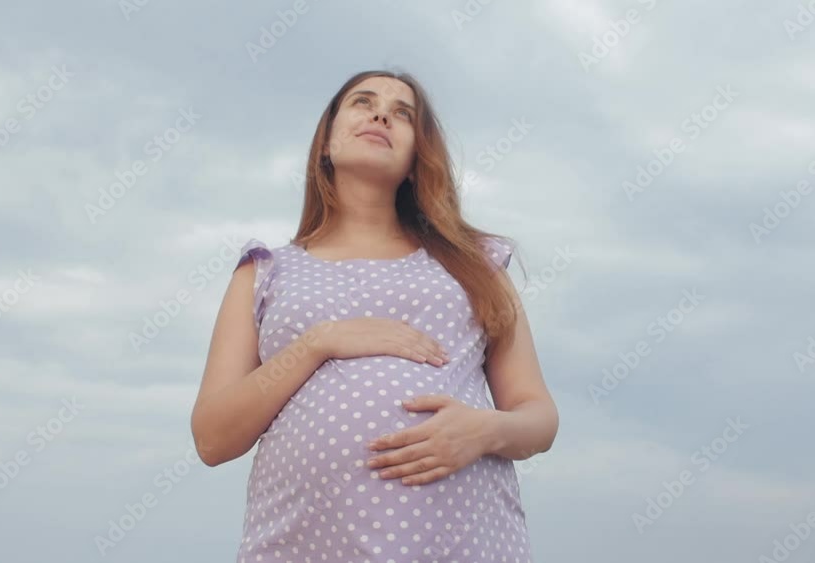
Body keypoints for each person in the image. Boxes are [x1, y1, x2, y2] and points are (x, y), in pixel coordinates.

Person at [190, 69, 559, 562]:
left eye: (402, 113)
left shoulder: (475, 266)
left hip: (458, 544)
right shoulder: (265, 273)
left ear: (415, 160)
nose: (381, 113)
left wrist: (484, 430)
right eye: (363, 102)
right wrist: (319, 342)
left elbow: (540, 417)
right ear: (326, 142)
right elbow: (212, 438)